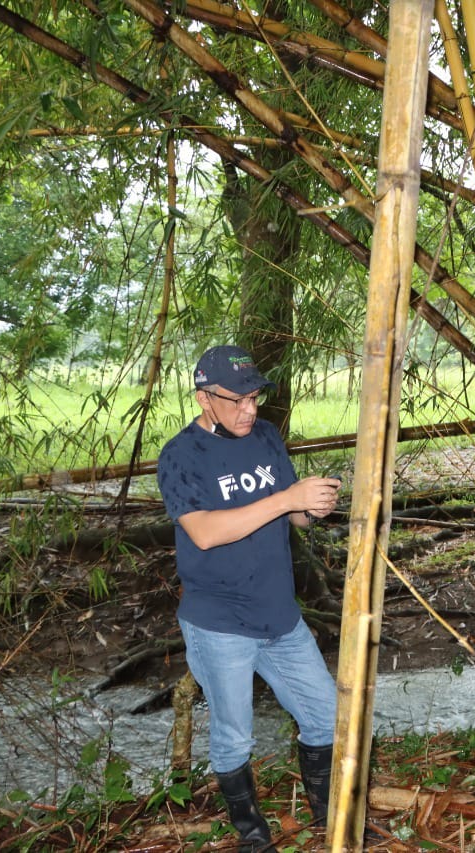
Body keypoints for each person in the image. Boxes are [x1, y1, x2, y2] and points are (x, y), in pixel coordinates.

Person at [157, 345, 343, 851]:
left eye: (254, 397)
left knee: (326, 716)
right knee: (235, 735)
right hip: (219, 622)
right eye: (236, 400)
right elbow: (205, 533)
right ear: (204, 398)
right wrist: (287, 498)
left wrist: (311, 505)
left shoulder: (265, 436)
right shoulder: (180, 455)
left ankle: (332, 822)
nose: (249, 409)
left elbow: (291, 516)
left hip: (279, 615)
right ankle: (255, 838)